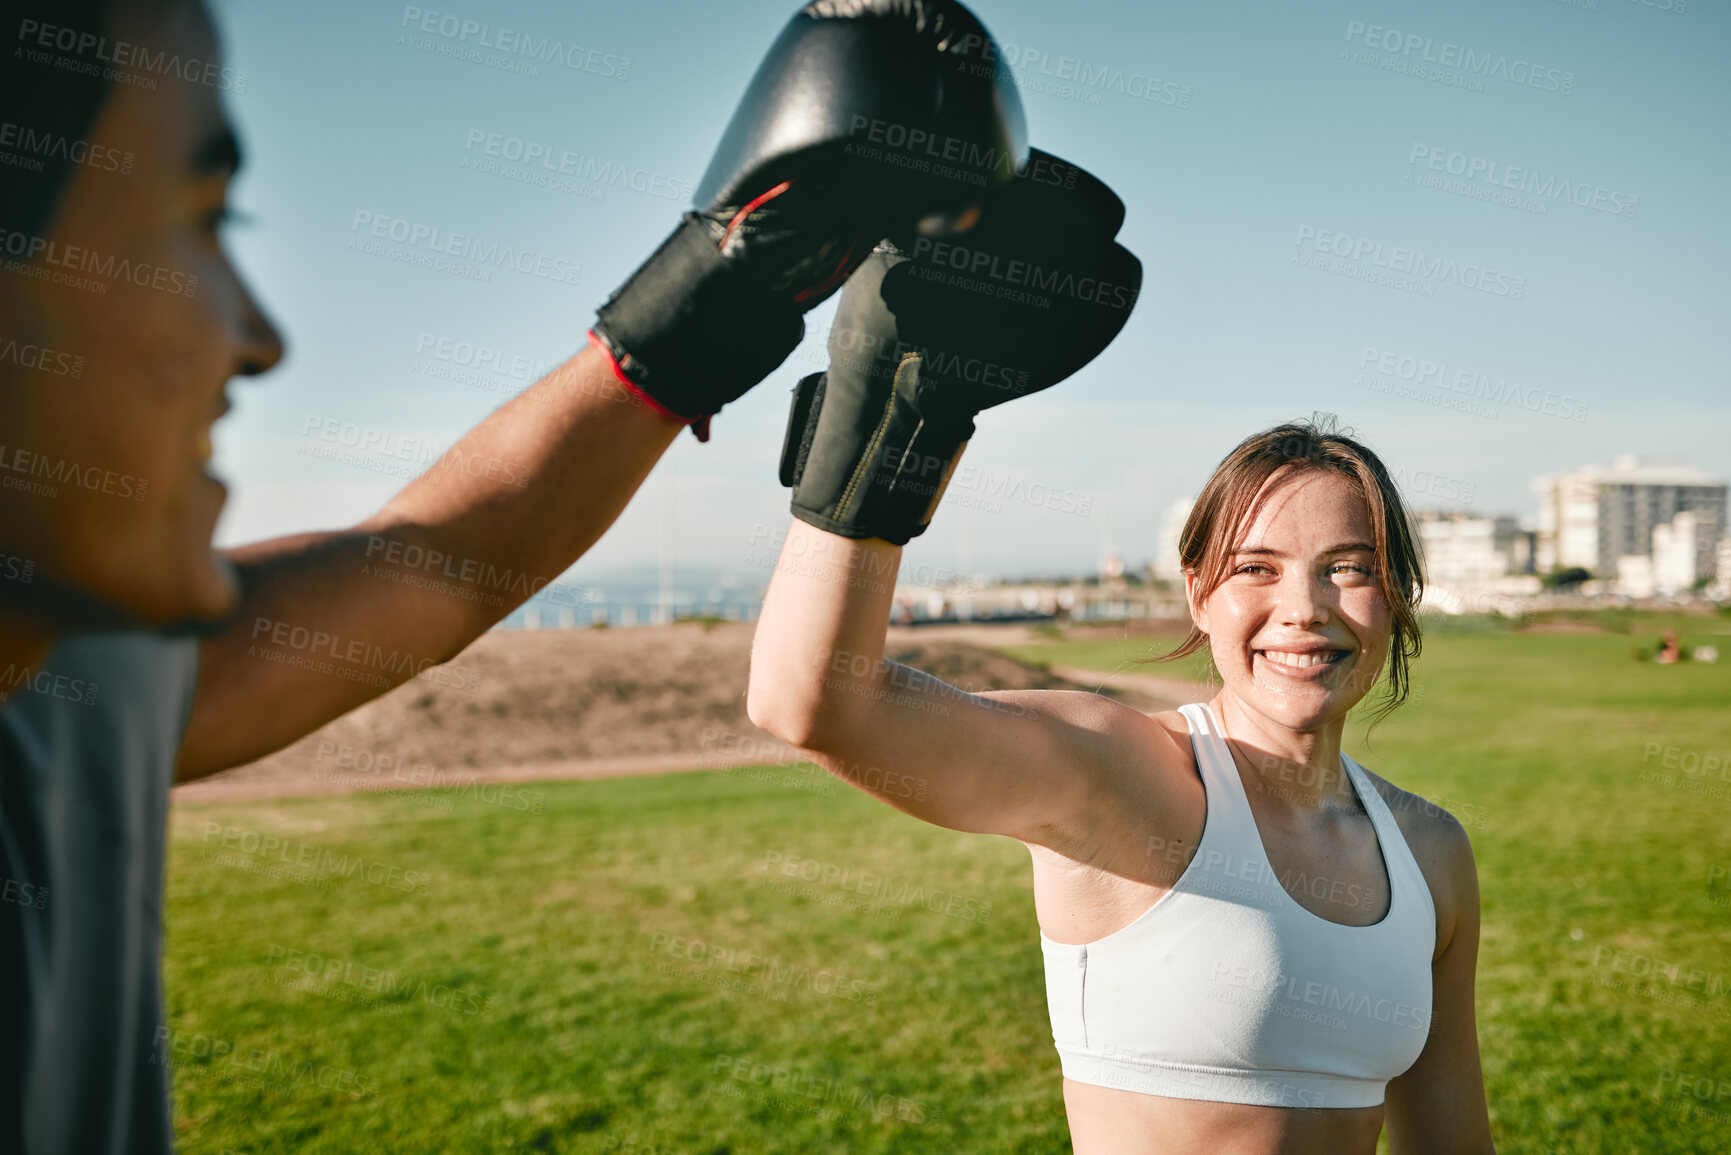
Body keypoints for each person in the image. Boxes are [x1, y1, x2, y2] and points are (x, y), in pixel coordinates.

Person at [0, 0, 1026, 1149]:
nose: (257, 334)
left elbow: (436, 562)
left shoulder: (63, 692)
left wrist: (729, 278)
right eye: (198, 221)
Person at [747, 156, 1495, 1152]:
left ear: (1395, 591)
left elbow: (1454, 1141)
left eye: (1347, 567)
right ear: (1199, 592)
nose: (1302, 610)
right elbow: (816, 705)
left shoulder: (1431, 851)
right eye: (1257, 568)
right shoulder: (1123, 777)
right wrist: (882, 436)